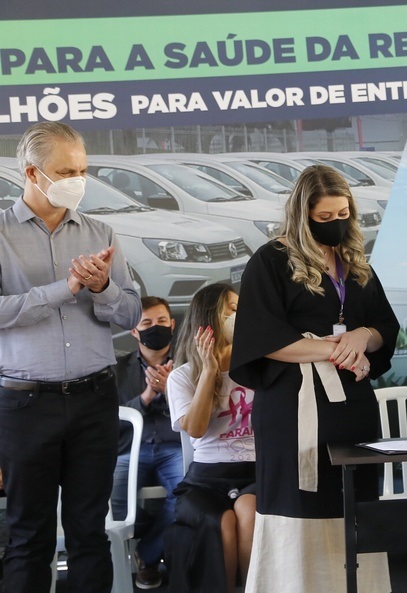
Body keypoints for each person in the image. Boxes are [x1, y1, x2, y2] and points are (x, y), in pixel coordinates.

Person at [229, 164, 399, 593]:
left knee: (356, 504)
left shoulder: (355, 263)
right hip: (293, 408)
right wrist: (333, 348)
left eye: (342, 214)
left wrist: (362, 335)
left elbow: (385, 328)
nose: (335, 223)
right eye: (324, 217)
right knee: (299, 504)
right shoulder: (270, 260)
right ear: (302, 214)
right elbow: (262, 339)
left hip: (352, 406)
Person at [0, 122, 141, 592]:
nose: (78, 180)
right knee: (29, 535)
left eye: (82, 170)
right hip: (25, 404)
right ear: (32, 172)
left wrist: (102, 288)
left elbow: (131, 314)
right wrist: (66, 288)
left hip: (93, 399)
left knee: (89, 532)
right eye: (66, 172)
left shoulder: (101, 232)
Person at [165, 283, 255, 593]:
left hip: (256, 472)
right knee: (221, 523)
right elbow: (196, 429)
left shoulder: (256, 368)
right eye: (232, 310)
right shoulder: (181, 376)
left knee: (249, 512)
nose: (240, 316)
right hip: (205, 479)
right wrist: (208, 371)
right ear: (210, 318)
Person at [112, 295, 181, 589]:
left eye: (161, 321)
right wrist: (146, 397)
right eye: (147, 323)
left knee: (187, 495)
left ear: (172, 324)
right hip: (131, 449)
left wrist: (171, 390)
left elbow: (203, 410)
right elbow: (109, 420)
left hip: (175, 447)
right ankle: (154, 537)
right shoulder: (116, 368)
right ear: (134, 330)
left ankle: (148, 555)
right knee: (113, 503)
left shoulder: (189, 363)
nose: (156, 327)